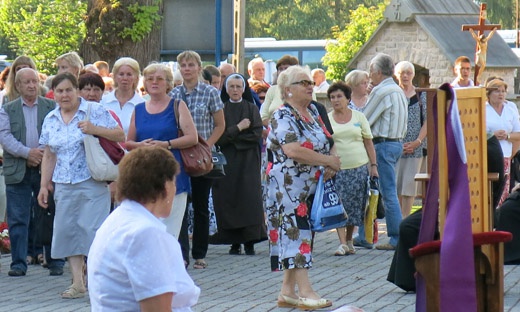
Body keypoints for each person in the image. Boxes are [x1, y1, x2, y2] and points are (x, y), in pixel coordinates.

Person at [37, 72, 124, 299]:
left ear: (77, 91)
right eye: (60, 91)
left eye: (68, 90)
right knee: (68, 232)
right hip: (64, 183)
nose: (64, 95)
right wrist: (44, 185)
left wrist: (94, 129)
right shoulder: (51, 118)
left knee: (92, 232)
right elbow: (48, 154)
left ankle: (99, 281)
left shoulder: (94, 110)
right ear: (53, 94)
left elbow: (119, 134)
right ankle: (77, 283)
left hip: (92, 181)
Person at [88, 146, 200, 311]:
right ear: (166, 187)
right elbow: (156, 307)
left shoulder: (118, 219)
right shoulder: (145, 233)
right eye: (174, 182)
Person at [266, 65, 339, 310]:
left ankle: (287, 291)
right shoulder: (282, 115)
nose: (310, 86)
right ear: (287, 90)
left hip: (310, 186)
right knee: (297, 235)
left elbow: (328, 140)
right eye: (303, 82)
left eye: (310, 82)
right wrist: (327, 161)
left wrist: (331, 160)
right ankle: (306, 292)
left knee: (300, 235)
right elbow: (292, 150)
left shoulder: (314, 112)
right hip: (287, 187)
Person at [0, 68, 64, 277]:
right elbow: (5, 137)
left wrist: (42, 153)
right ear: (17, 86)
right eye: (26, 82)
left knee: (49, 214)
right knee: (18, 217)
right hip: (18, 169)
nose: (31, 85)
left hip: (47, 168)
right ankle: (18, 263)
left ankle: (55, 260)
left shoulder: (50, 106)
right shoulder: (7, 109)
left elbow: (58, 132)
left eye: (34, 81)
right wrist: (28, 153)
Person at [126, 63, 198, 239]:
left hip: (172, 175)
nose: (154, 82)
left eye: (159, 79)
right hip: (144, 176)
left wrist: (166, 144)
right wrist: (140, 146)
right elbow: (128, 143)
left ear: (168, 83)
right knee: (147, 229)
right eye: (150, 79)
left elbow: (192, 137)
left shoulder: (177, 106)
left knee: (168, 231)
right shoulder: (138, 109)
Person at [169, 50, 225, 270]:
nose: (187, 69)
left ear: (199, 68)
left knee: (201, 205)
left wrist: (207, 146)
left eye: (191, 65)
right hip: (179, 155)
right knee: (180, 204)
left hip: (202, 156)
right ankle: (181, 253)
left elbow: (220, 124)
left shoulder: (210, 93)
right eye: (183, 65)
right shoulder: (173, 94)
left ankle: (200, 253)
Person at [209, 73, 267, 255]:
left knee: (249, 198)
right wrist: (239, 128)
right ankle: (234, 241)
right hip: (227, 161)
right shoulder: (221, 108)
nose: (235, 90)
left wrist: (232, 137)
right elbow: (218, 137)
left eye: (238, 86)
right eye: (231, 86)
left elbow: (257, 133)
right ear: (226, 89)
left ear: (244, 89)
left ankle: (250, 241)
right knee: (228, 198)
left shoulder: (251, 108)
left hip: (248, 160)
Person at [357, 53, 408, 251]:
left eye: (371, 71)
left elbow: (363, 120)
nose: (370, 76)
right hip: (396, 143)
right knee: (382, 191)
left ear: (378, 72)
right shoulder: (397, 90)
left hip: (382, 145)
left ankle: (395, 237)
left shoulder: (381, 92)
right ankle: (365, 235)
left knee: (387, 192)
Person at [326, 82, 378, 256]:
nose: (336, 100)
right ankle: (341, 243)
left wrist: (373, 166)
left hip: (359, 168)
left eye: (339, 96)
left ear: (348, 98)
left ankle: (349, 240)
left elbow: (368, 142)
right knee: (339, 205)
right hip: (337, 169)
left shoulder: (359, 117)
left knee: (355, 206)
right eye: (332, 97)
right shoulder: (327, 119)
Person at [394, 61, 427, 217]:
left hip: (416, 147)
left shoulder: (421, 95)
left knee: (409, 187)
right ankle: (397, 222)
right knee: (396, 186)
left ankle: (405, 220)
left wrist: (417, 141)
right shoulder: (393, 94)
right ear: (396, 75)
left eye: (408, 72)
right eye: (402, 73)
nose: (405, 76)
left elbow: (428, 120)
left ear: (413, 75)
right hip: (395, 147)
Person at [485, 78, 520, 207]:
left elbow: (518, 133)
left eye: (503, 91)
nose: (501, 94)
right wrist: (492, 135)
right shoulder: (483, 109)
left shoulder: (510, 109)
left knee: (504, 191)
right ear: (489, 93)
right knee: (491, 190)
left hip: (506, 155)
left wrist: (507, 136)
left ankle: (500, 220)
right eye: (497, 91)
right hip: (488, 156)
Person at [100, 57, 145, 136]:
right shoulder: (103, 102)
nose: (125, 78)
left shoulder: (143, 105)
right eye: (121, 74)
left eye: (129, 74)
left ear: (136, 78)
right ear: (114, 77)